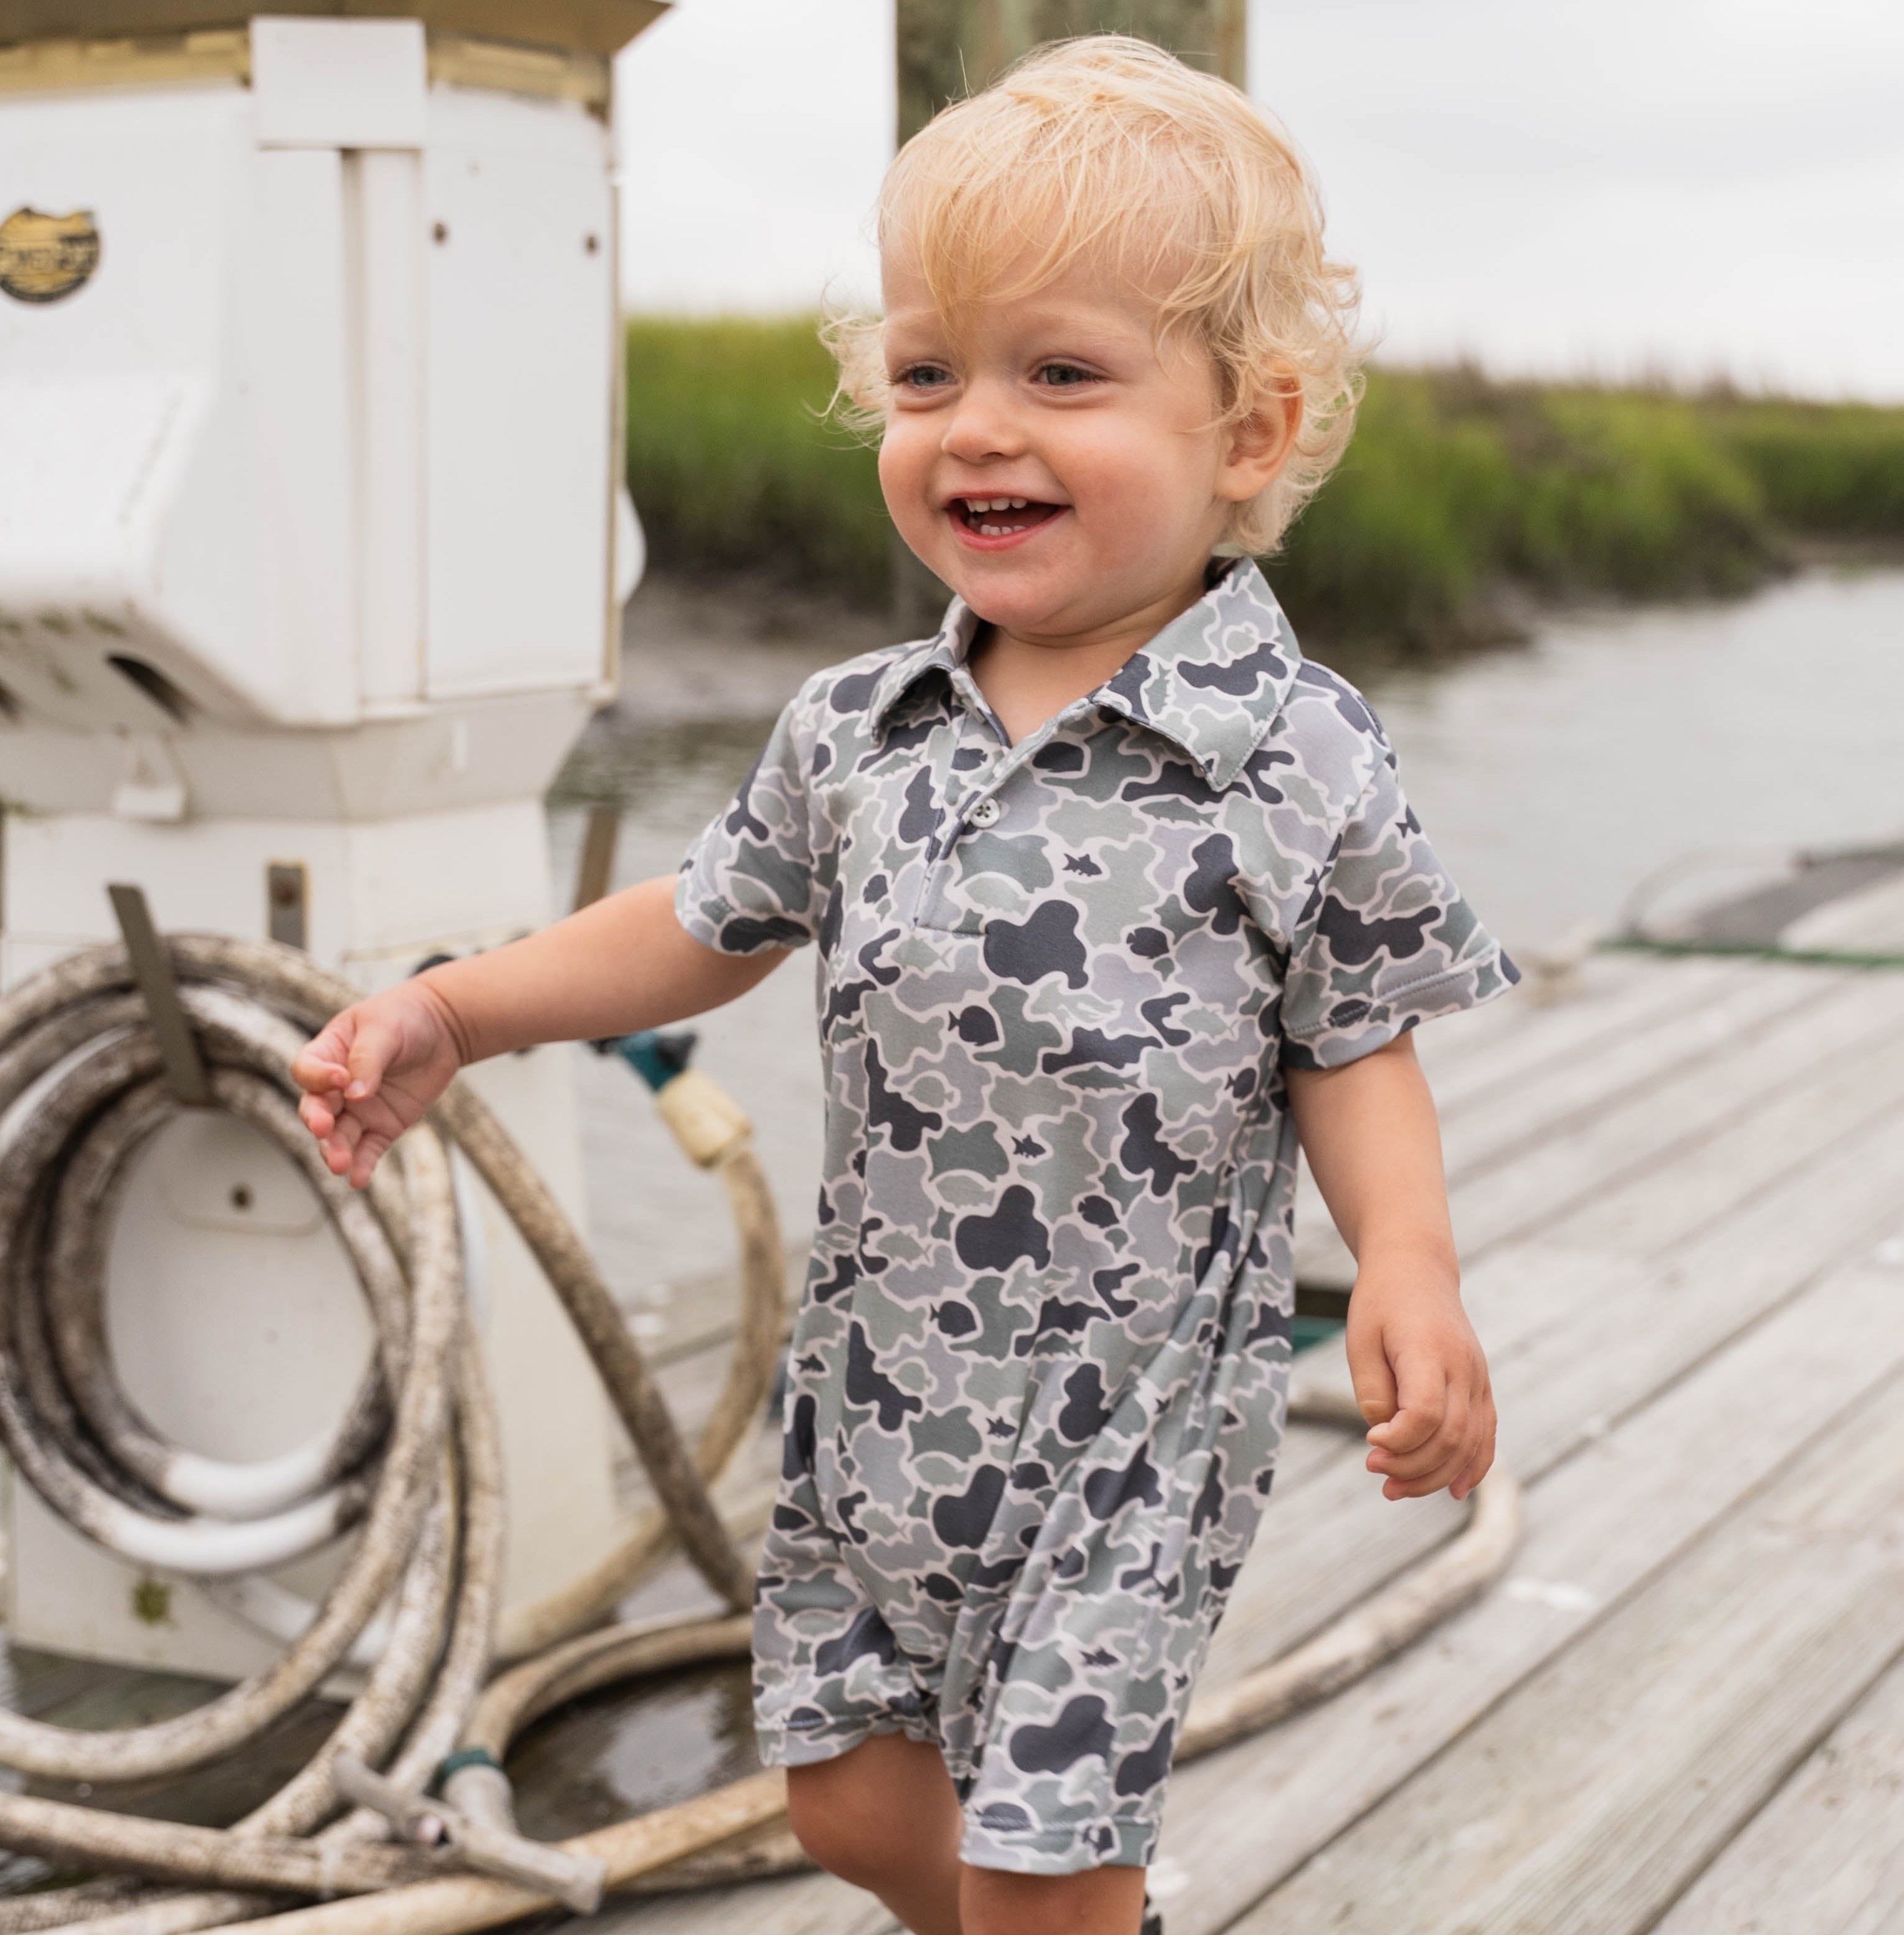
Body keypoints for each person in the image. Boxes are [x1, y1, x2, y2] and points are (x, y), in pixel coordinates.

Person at [292, 35, 1516, 1935]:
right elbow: (695, 925)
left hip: (1129, 1427)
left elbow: (1354, 1040)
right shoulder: (858, 731)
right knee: (856, 1805)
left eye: (1062, 374)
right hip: (880, 1398)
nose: (978, 427)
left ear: (1249, 432)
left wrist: (1413, 1271)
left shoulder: (1295, 755)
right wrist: (460, 1007)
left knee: (1043, 1853)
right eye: (928, 370)